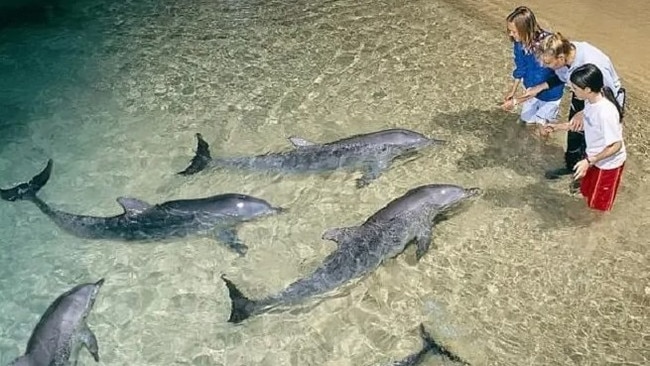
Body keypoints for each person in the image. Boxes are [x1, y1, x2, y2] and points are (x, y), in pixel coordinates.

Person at [520, 32, 626, 180]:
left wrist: (584, 112)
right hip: (581, 92)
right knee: (574, 133)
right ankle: (573, 168)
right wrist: (539, 88)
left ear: (561, 58)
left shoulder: (592, 63)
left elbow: (608, 93)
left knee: (595, 139)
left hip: (605, 98)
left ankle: (589, 172)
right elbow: (562, 77)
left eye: (549, 63)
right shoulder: (564, 51)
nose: (547, 67)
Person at [545, 63, 625, 211]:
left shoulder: (606, 112)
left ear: (588, 89)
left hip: (607, 165)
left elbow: (616, 145)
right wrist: (557, 127)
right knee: (587, 195)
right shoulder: (590, 102)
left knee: (598, 208)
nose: (572, 90)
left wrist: (589, 161)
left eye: (575, 88)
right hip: (593, 159)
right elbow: (584, 124)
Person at [501, 6, 564, 126]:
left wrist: (516, 102)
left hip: (550, 94)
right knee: (526, 121)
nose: (511, 34)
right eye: (509, 30)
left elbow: (561, 75)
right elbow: (520, 67)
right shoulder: (519, 44)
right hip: (530, 89)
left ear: (526, 29)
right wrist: (513, 91)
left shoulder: (548, 45)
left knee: (542, 129)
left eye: (514, 31)